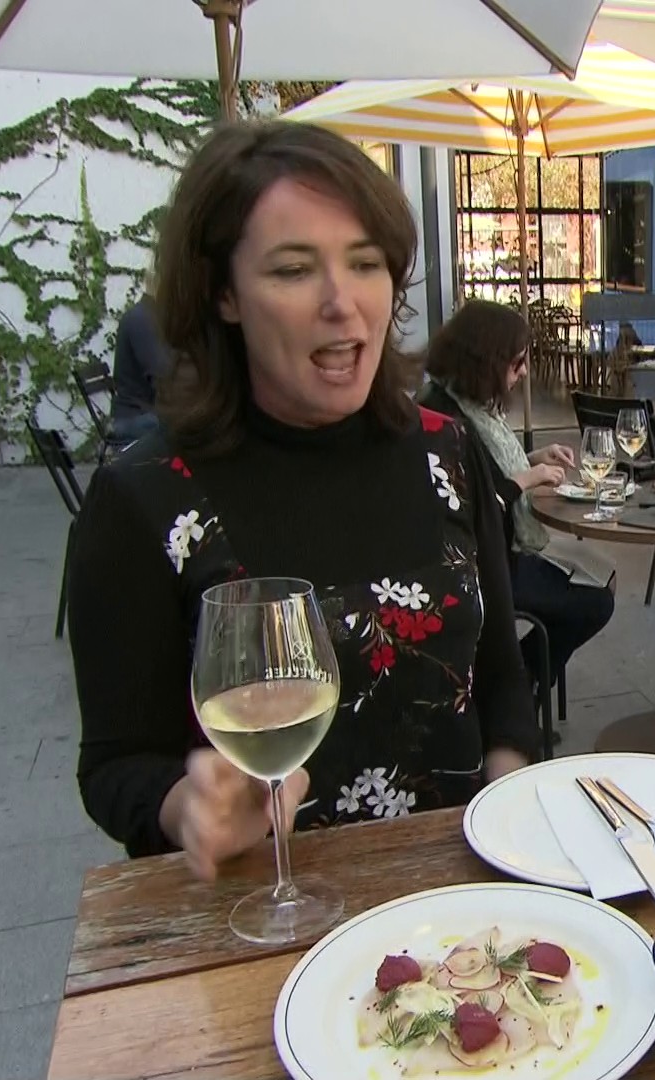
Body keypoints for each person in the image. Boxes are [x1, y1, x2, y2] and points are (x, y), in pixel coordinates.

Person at [67, 121, 535, 877]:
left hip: (459, 909)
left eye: (366, 262)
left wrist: (514, 825)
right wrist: (188, 807)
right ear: (224, 292)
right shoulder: (141, 498)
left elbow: (502, 675)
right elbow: (116, 765)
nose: (342, 302)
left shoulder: (447, 450)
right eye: (292, 270)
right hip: (264, 910)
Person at [416, 299, 617, 701]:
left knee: (600, 576)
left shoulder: (460, 402)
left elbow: (480, 470)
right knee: (596, 601)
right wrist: (526, 479)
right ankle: (520, 683)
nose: (524, 371)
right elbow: (473, 504)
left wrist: (532, 459)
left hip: (498, 554)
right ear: (487, 362)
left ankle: (523, 680)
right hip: (483, 570)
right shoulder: (445, 419)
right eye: (517, 362)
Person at [109, 296, 171, 443]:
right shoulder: (141, 318)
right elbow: (164, 373)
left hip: (146, 412)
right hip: (136, 417)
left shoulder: (153, 316)